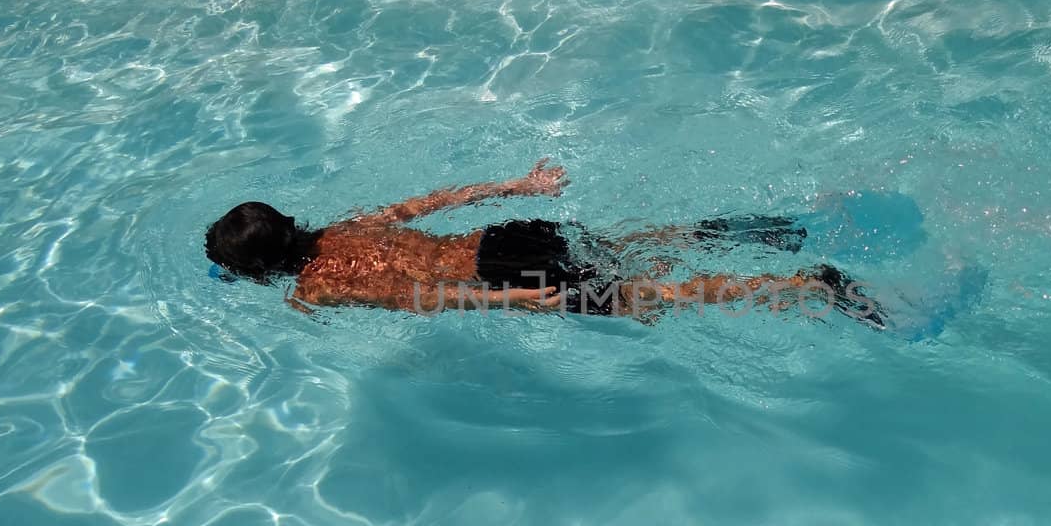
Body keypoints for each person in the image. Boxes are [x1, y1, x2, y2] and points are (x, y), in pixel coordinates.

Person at [204, 159, 886, 326]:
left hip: (501, 279)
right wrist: (524, 185)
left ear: (265, 270)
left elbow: (432, 301)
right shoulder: (349, 225)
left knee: (651, 296)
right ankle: (752, 232)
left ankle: (804, 287)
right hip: (507, 234)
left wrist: (529, 303)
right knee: (629, 247)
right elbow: (443, 200)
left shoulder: (315, 291)